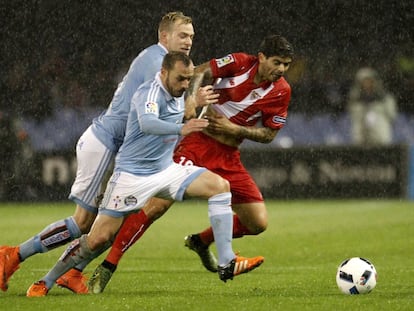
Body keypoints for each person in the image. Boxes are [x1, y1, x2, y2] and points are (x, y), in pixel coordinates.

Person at [0, 11, 215, 294]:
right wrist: (193, 104)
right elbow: (165, 118)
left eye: (191, 36)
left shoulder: (162, 63)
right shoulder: (155, 63)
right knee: (83, 223)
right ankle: (13, 256)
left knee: (114, 221)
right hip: (104, 142)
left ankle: (72, 273)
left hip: (122, 149)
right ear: (165, 37)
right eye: (182, 35)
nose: (188, 41)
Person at [26, 51, 264, 297]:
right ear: (163, 73)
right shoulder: (148, 93)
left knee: (220, 186)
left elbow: (183, 110)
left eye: (188, 79)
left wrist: (195, 103)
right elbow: (148, 123)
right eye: (180, 79)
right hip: (133, 176)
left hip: (166, 170)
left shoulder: (178, 94)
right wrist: (184, 124)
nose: (185, 85)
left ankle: (226, 262)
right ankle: (47, 280)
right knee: (98, 238)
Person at [87, 34, 294, 293]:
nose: (281, 70)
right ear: (262, 57)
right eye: (277, 62)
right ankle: (108, 265)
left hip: (229, 155)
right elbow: (199, 71)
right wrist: (190, 101)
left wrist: (234, 128)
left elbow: (269, 135)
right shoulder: (241, 63)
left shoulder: (282, 91)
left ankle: (200, 241)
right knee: (156, 206)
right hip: (197, 143)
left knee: (257, 223)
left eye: (286, 65)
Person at [347, 67, 397, 146]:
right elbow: (353, 114)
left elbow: (392, 115)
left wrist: (376, 110)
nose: (367, 84)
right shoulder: (356, 98)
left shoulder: (383, 97)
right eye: (364, 81)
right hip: (363, 133)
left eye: (369, 81)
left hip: (380, 133)